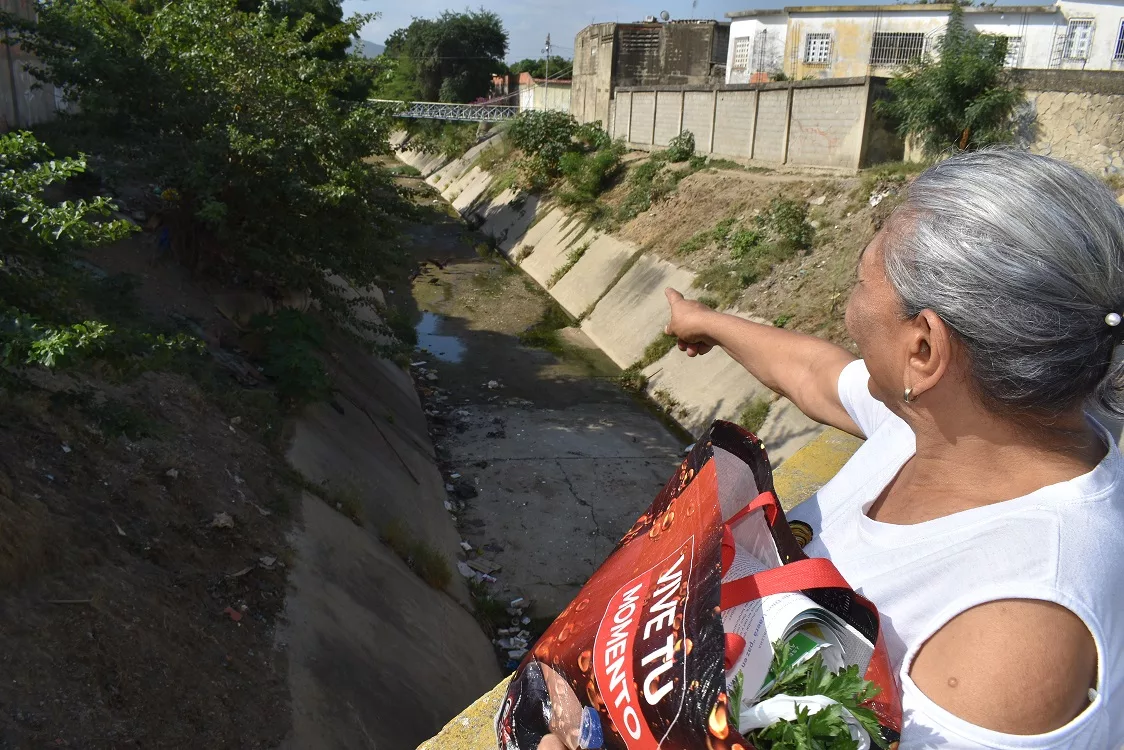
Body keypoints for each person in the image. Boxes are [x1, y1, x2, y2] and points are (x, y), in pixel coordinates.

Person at [663, 150, 1124, 749]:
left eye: (860, 281)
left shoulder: (1020, 628)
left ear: (925, 350)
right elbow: (813, 374)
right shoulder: (973, 417)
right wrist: (708, 321)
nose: (847, 309)